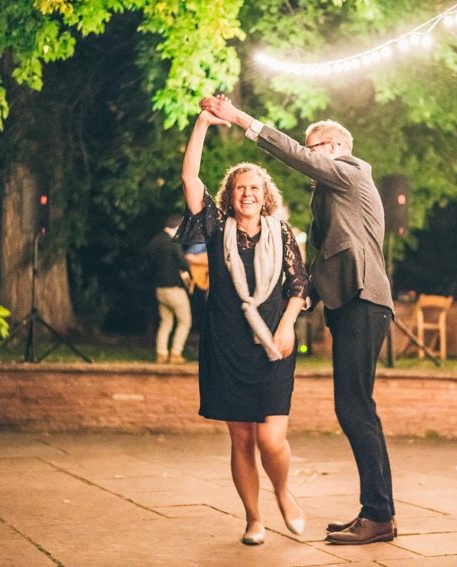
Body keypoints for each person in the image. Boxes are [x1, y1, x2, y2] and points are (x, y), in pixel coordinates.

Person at [202, 95, 396, 545]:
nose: (310, 165)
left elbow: (295, 156)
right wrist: (293, 304)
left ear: (331, 147)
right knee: (357, 407)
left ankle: (380, 514)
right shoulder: (336, 194)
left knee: (355, 408)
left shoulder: (351, 171)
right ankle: (378, 511)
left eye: (314, 151)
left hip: (363, 299)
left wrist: (239, 119)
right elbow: (323, 260)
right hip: (350, 302)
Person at [179, 109, 310, 546]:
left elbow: (298, 286)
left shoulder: (283, 233)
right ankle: (254, 518)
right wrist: (201, 124)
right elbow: (190, 179)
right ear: (230, 196)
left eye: (255, 188)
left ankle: (284, 493)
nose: (248, 194)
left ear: (265, 194)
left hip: (274, 344)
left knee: (272, 439)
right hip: (226, 346)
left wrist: (289, 326)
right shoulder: (217, 228)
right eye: (240, 188)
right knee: (241, 440)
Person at [147, 214, 192, 364]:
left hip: (160, 289)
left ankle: (161, 353)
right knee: (185, 321)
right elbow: (184, 264)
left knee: (166, 322)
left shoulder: (154, 241)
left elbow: (151, 264)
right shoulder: (174, 243)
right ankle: (175, 353)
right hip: (174, 289)